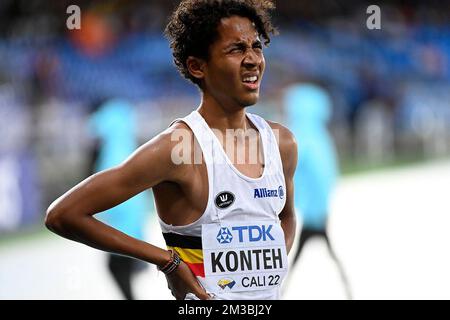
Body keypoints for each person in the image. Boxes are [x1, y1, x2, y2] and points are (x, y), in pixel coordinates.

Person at [45, 0, 297, 300]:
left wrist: (269, 269)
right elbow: (63, 214)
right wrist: (168, 262)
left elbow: (286, 217)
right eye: (236, 49)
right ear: (197, 66)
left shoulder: (280, 144)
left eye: (257, 46)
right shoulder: (177, 148)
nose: (253, 59)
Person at [284, 82, 352, 299]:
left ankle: (279, 292)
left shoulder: (303, 137)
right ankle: (347, 288)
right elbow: (328, 174)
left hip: (313, 214)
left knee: (291, 256)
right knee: (319, 254)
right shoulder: (321, 136)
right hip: (320, 212)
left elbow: (293, 167)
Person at [88, 98, 150, 300]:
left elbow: (92, 159)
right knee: (125, 253)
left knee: (116, 262)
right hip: (136, 198)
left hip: (116, 199)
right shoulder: (127, 126)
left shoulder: (102, 132)